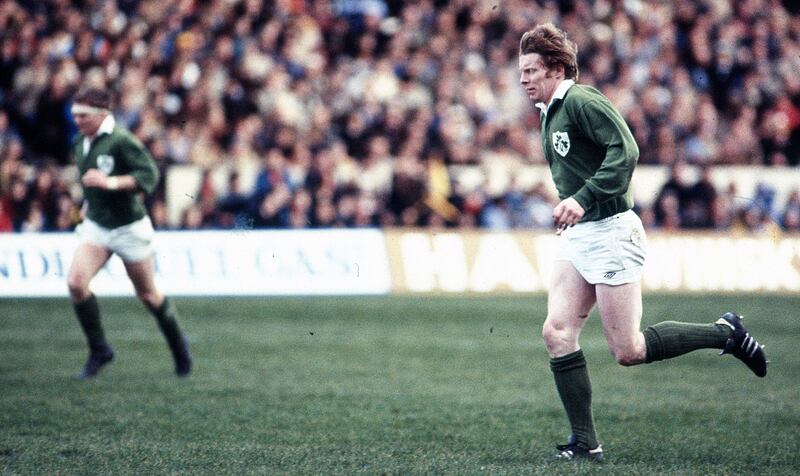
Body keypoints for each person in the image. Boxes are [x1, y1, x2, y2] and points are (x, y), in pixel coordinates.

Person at [518, 24, 767, 461]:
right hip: (581, 235)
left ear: (557, 70)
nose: (523, 80)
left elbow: (627, 151)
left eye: (531, 70)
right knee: (557, 332)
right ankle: (585, 443)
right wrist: (571, 201)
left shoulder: (580, 100)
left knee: (628, 350)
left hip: (613, 230)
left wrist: (582, 197)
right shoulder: (550, 109)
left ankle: (724, 332)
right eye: (522, 71)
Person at [66, 87, 192, 379]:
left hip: (129, 228)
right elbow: (90, 182)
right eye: (75, 115)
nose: (77, 121)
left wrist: (109, 183)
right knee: (76, 283)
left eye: (83, 116)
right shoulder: (79, 141)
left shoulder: (122, 141)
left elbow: (149, 175)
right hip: (98, 225)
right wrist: (89, 202)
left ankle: (178, 344)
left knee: (148, 295)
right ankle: (100, 349)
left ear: (102, 115)